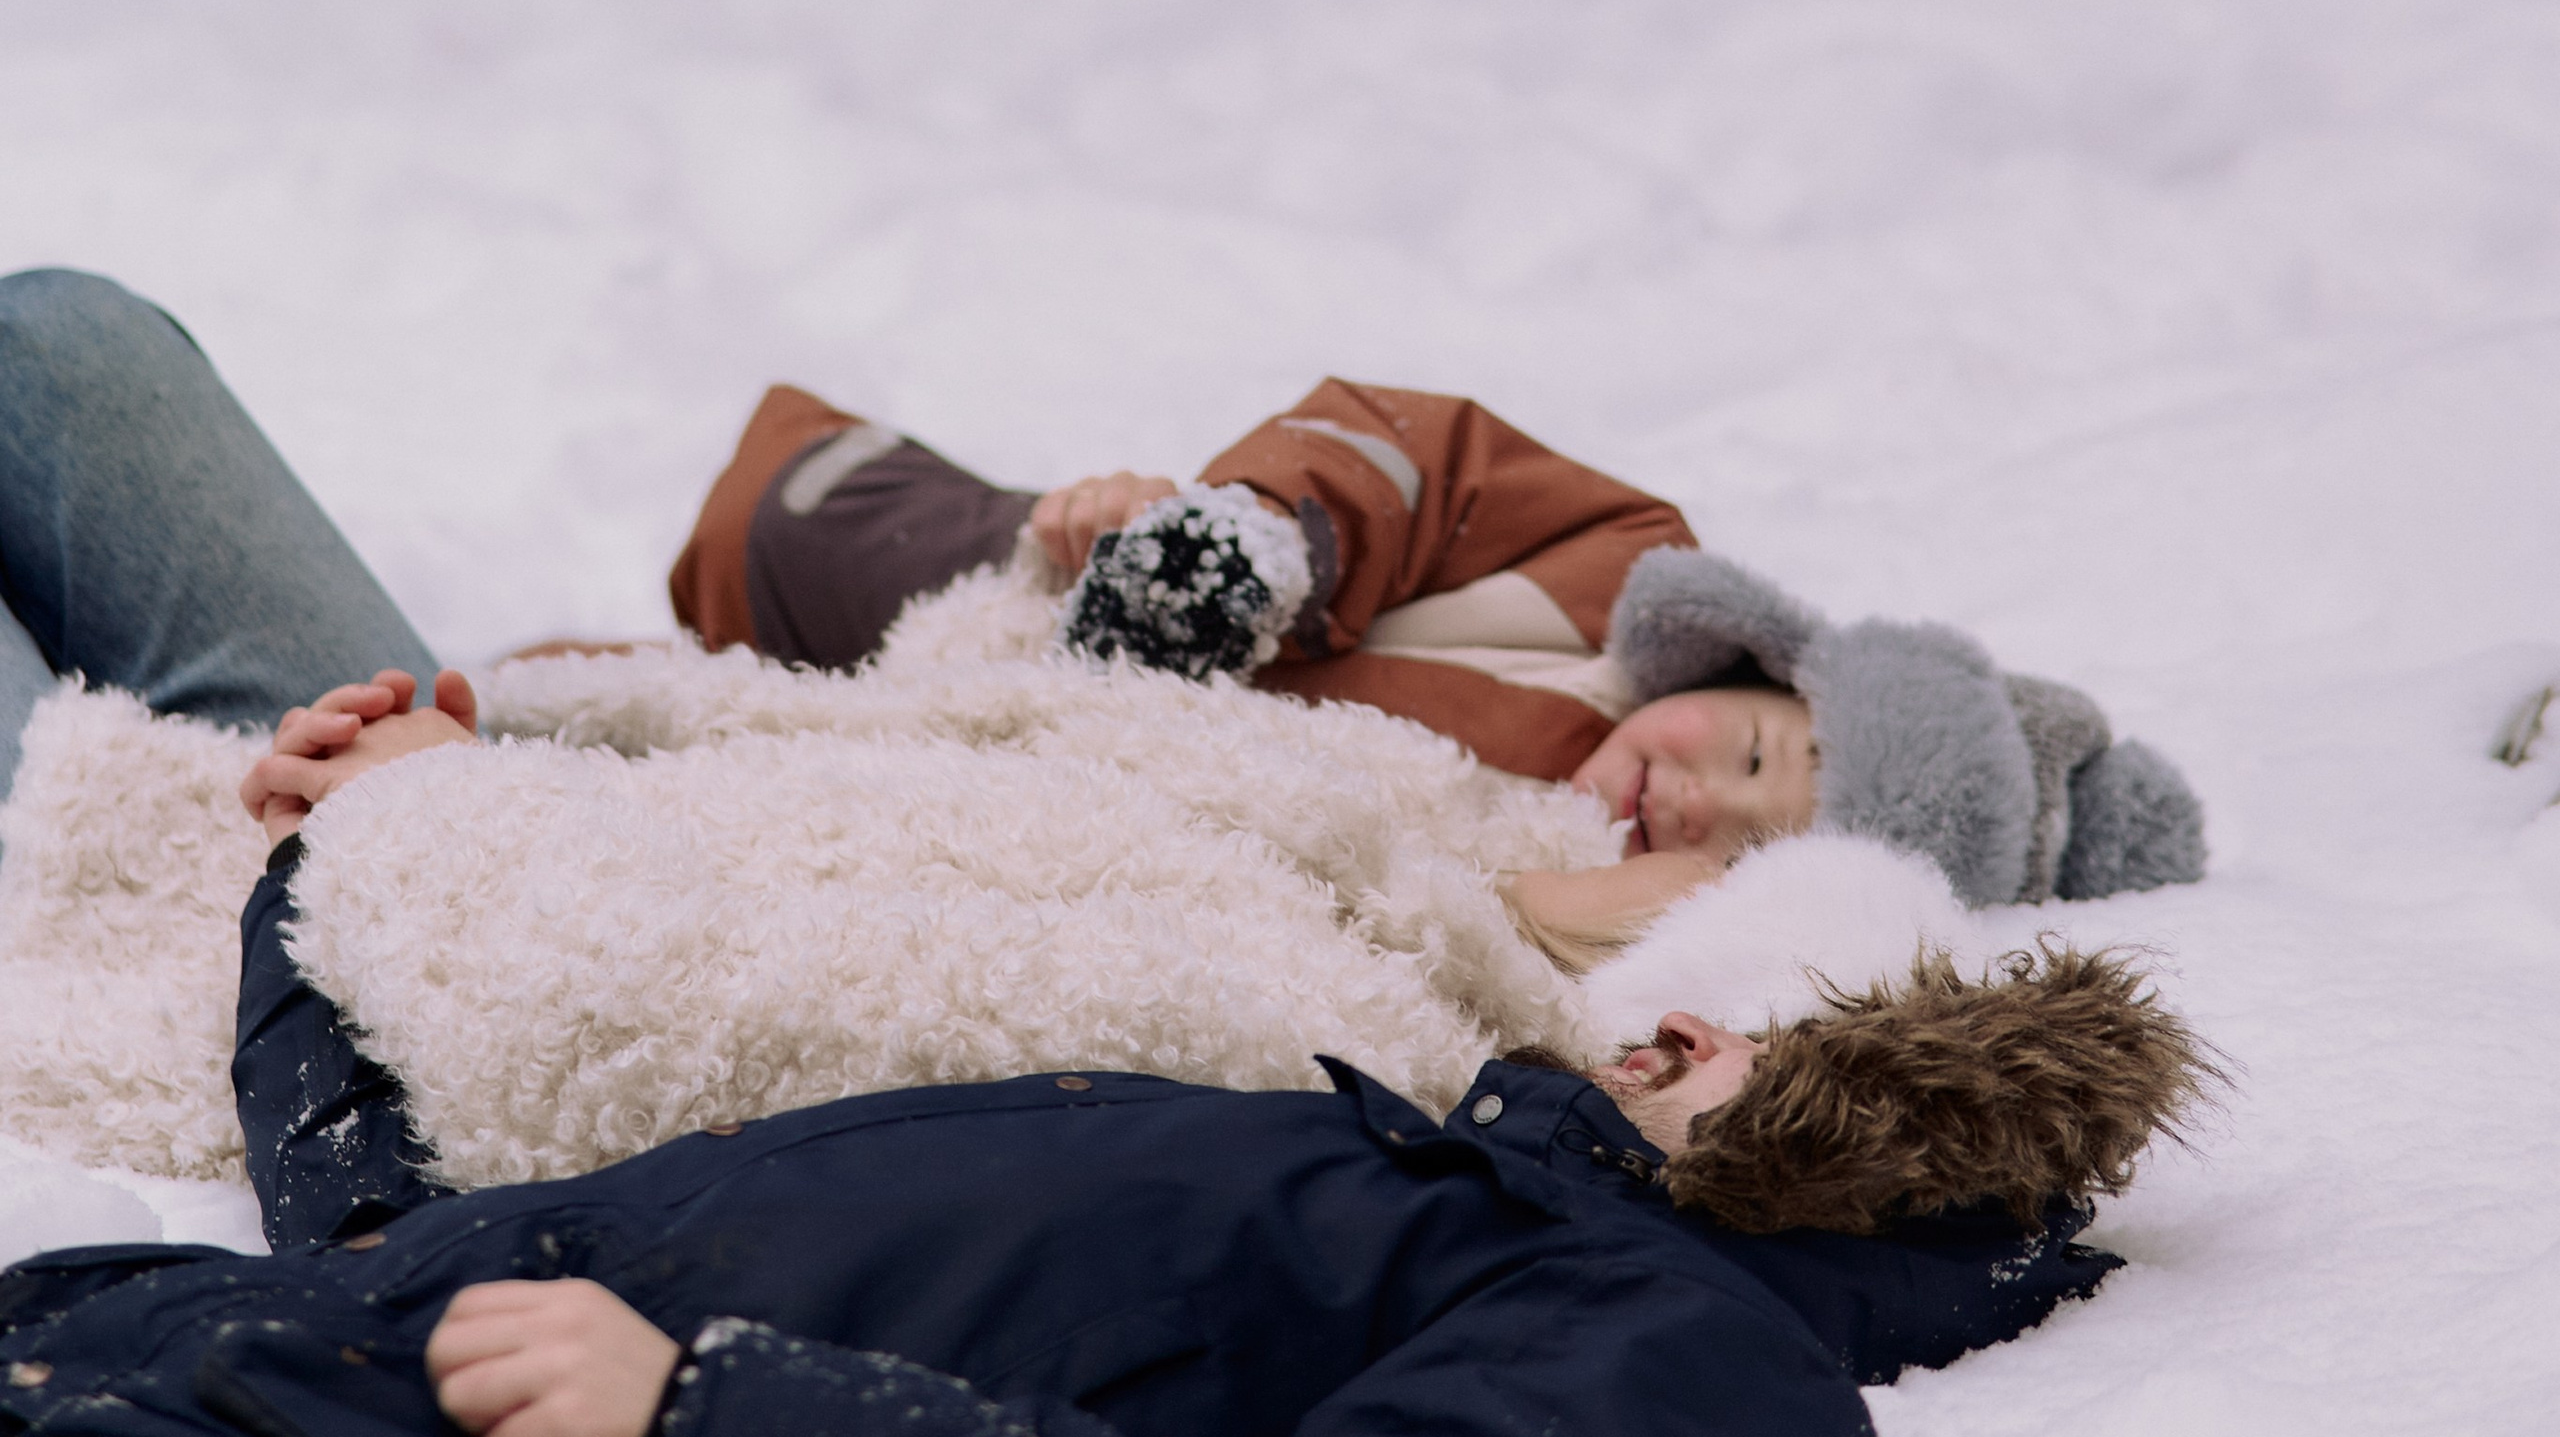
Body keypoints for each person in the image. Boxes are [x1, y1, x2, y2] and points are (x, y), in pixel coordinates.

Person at [0, 704, 2209, 1437]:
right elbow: (403, 1247)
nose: (1678, 1020)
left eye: (1767, 1040)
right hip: (206, 1384)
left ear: (1878, 1148)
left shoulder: (1688, 1344)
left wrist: (707, 1429)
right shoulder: (1411, 1162)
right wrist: (329, 886)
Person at [0, 272, 2204, 928]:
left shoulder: (1524, 936)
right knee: (66, 341)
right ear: (1761, 663)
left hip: (455, 866)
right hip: (586, 734)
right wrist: (1247, 538)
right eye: (1755, 748)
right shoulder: (1610, 587)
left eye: (1748, 847)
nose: (1694, 795)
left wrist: (488, 792)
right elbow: (1409, 448)